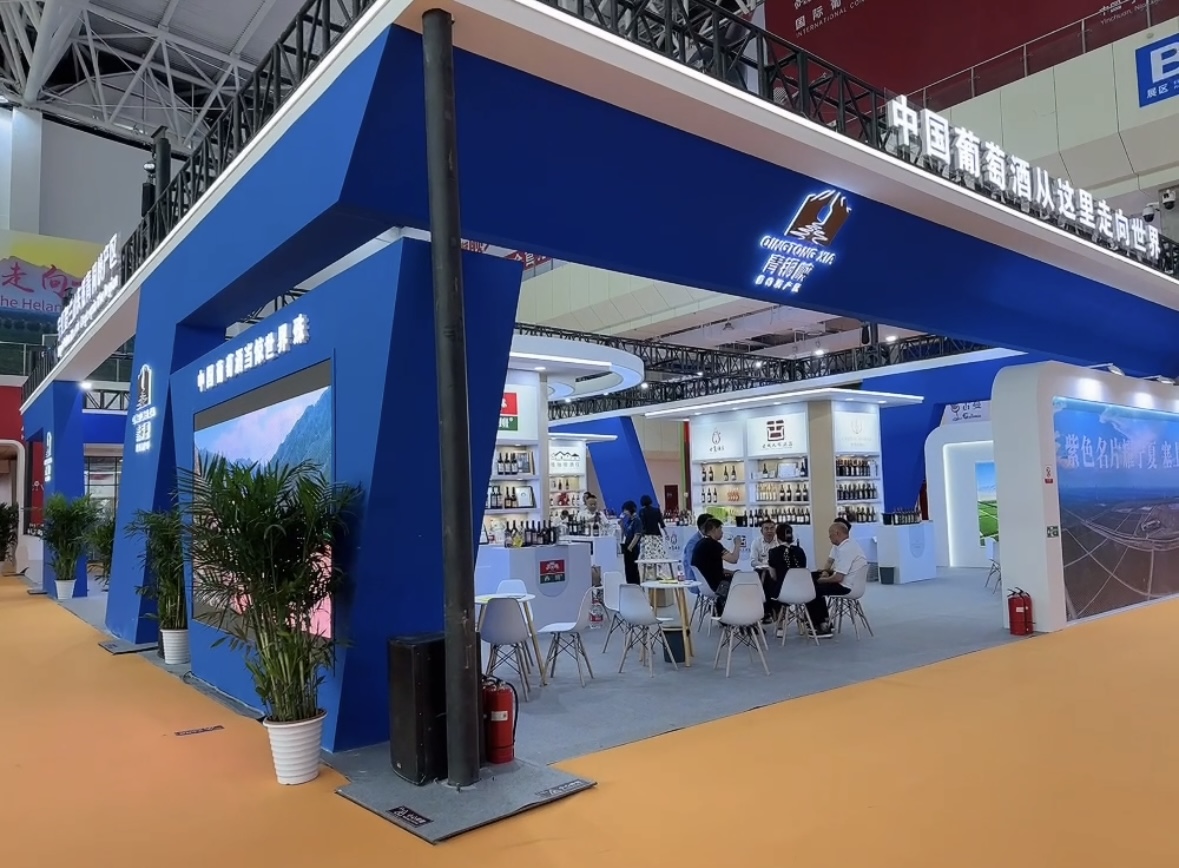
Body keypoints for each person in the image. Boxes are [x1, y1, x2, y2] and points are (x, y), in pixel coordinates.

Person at [808, 521, 868, 636]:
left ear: (837, 533)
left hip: (845, 586)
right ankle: (824, 620)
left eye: (830, 534)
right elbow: (832, 564)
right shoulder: (850, 545)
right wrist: (825, 573)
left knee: (812, 589)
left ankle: (822, 626)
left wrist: (822, 580)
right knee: (813, 576)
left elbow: (838, 578)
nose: (829, 537)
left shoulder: (845, 550)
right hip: (851, 581)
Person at [691, 518, 742, 615]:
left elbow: (711, 569)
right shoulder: (714, 545)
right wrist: (738, 544)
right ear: (714, 529)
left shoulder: (700, 543)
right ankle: (738, 615)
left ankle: (721, 611)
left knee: (735, 575)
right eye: (720, 529)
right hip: (717, 586)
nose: (722, 533)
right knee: (743, 584)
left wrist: (731, 572)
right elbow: (733, 559)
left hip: (705, 586)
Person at [767, 523, 808, 634]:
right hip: (803, 591)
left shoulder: (773, 552)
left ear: (777, 536)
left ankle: (779, 623)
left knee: (770, 584)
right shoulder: (800, 551)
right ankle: (804, 622)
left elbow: (773, 576)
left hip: (783, 592)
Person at [637, 495, 670, 578]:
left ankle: (648, 574)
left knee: (647, 555)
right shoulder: (656, 510)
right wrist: (666, 533)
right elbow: (661, 523)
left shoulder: (641, 512)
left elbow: (642, 525)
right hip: (657, 535)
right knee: (658, 554)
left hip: (646, 536)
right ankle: (660, 572)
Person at [682, 513, 710, 581]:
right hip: (696, 579)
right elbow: (691, 564)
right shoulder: (693, 542)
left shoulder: (707, 539)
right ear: (703, 526)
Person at [619, 500, 642, 585]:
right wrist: (621, 525)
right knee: (627, 568)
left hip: (633, 548)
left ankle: (636, 585)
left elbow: (637, 535)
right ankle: (629, 584)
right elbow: (625, 533)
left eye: (625, 510)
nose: (624, 513)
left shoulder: (637, 520)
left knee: (633, 568)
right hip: (626, 546)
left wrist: (631, 546)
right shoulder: (628, 521)